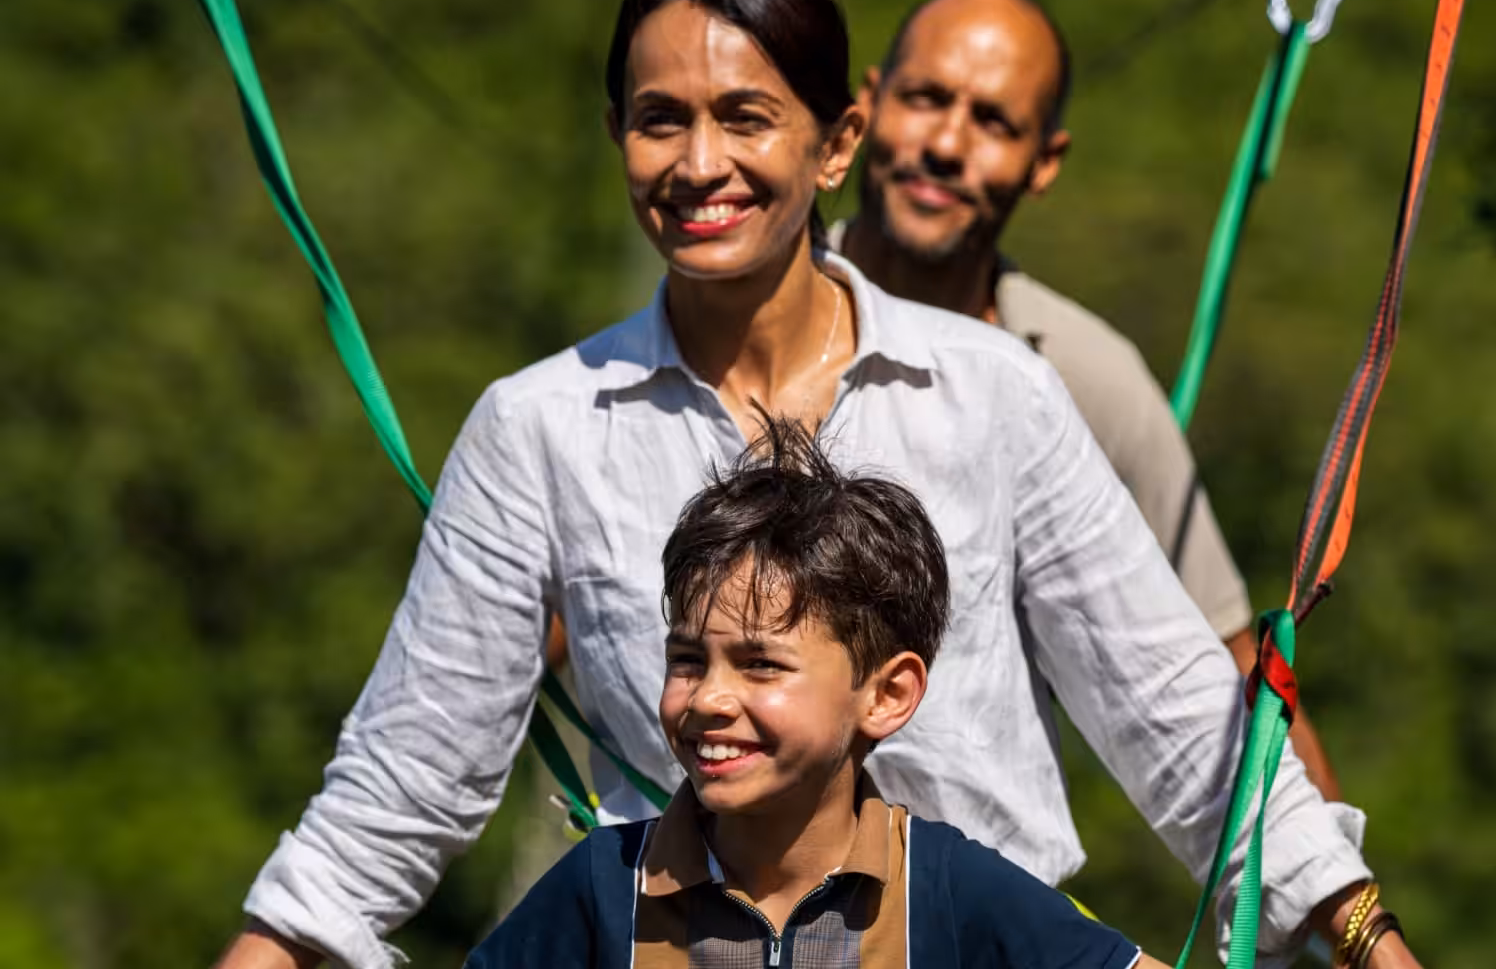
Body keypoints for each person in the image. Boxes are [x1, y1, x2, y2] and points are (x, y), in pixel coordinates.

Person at [215, 0, 1415, 967]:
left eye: (745, 117)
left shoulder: (991, 393)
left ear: (836, 140)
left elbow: (1185, 728)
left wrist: (1370, 942)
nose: (697, 164)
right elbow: (395, 793)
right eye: (658, 118)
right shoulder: (540, 428)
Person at [832, 0, 1343, 800]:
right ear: (864, 107)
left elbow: (1223, 672)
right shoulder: (749, 313)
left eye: (995, 122)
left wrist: (1350, 916)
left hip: (964, 899)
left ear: (1046, 163)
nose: (947, 144)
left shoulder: (1082, 380)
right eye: (926, 99)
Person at [467, 415, 1161, 969]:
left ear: (887, 695)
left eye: (761, 665)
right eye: (687, 660)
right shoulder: (607, 887)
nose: (709, 697)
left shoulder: (949, 891)